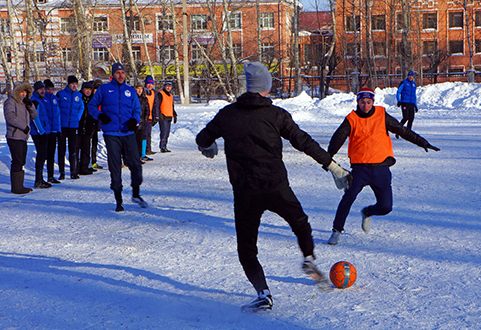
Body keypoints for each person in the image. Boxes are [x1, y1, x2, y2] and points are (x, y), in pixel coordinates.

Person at [196, 62, 351, 311]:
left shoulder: (227, 115)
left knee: (247, 249)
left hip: (245, 193)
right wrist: (333, 167)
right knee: (300, 222)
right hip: (276, 187)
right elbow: (305, 142)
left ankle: (263, 293)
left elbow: (202, 138)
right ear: (264, 88)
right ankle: (309, 259)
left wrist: (208, 147)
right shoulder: (276, 115)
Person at [326, 87, 440, 245]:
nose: (365, 105)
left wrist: (422, 142)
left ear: (373, 102)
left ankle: (367, 212)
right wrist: (328, 157)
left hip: (381, 169)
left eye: (368, 102)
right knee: (348, 198)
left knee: (386, 207)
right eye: (362, 102)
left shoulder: (381, 115)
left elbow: (402, 130)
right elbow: (338, 138)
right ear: (357, 102)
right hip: (360, 170)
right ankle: (336, 230)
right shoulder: (351, 119)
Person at [88, 63, 146, 212]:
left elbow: (136, 109)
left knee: (135, 164)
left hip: (128, 133)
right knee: (115, 166)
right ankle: (118, 199)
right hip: (112, 133)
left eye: (122, 72)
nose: (120, 75)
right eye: (117, 73)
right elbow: (92, 106)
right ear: (112, 75)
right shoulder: (104, 90)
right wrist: (100, 116)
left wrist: (135, 120)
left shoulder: (130, 91)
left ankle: (136, 192)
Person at [3, 83, 37, 194]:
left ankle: (19, 185)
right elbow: (10, 117)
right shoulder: (10, 102)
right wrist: (24, 127)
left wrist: (30, 105)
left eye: (25, 92)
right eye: (21, 92)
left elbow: (35, 115)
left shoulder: (24, 103)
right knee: (17, 160)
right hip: (14, 136)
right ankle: (16, 187)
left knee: (21, 160)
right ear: (17, 92)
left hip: (23, 136)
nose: (23, 94)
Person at [56, 75, 84, 179]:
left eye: (76, 84)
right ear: (68, 84)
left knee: (73, 149)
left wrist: (77, 118)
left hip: (73, 126)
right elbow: (57, 109)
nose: (74, 86)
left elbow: (81, 107)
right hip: (62, 126)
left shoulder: (78, 95)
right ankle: (62, 172)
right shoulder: (61, 94)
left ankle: (74, 171)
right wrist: (58, 121)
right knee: (61, 149)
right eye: (72, 84)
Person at [30, 81, 53, 188]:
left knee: (43, 155)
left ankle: (40, 179)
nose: (43, 91)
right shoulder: (35, 101)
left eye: (43, 89)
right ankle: (38, 180)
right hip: (39, 133)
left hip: (44, 131)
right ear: (36, 90)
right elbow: (35, 118)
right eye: (40, 89)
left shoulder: (42, 100)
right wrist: (42, 131)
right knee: (41, 155)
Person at [43, 79, 61, 184]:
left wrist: (58, 129)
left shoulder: (55, 99)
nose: (50, 91)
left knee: (51, 154)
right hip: (45, 131)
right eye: (48, 89)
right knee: (43, 154)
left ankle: (51, 175)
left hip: (54, 130)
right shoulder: (42, 99)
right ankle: (40, 177)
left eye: (52, 89)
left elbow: (57, 115)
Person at [77, 81, 95, 175]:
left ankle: (84, 166)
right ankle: (76, 167)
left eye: (90, 89)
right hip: (78, 125)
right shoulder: (79, 97)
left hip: (88, 126)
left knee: (86, 147)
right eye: (86, 89)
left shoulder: (92, 99)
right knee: (77, 147)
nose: (88, 91)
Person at [154, 81, 177, 153]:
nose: (168, 87)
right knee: (163, 132)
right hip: (163, 116)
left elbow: (171, 106)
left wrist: (174, 114)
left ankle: (165, 146)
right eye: (167, 86)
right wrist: (158, 115)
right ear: (164, 86)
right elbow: (157, 105)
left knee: (167, 132)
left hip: (169, 116)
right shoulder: (160, 94)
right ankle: (162, 147)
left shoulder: (170, 95)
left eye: (170, 86)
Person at [395, 70, 418, 138]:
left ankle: (408, 133)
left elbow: (414, 95)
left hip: (411, 103)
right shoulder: (404, 83)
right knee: (405, 118)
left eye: (412, 76)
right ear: (408, 76)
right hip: (405, 103)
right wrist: (399, 101)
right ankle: (398, 131)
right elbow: (398, 92)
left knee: (411, 118)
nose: (411, 77)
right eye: (410, 76)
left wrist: (415, 105)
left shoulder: (414, 84)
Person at [134, 82, 152, 162]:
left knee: (143, 138)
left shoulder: (144, 99)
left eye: (141, 89)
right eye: (138, 89)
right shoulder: (133, 98)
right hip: (134, 122)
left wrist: (145, 119)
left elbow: (147, 110)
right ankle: (135, 156)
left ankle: (142, 155)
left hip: (143, 122)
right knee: (135, 140)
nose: (139, 90)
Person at [144, 75, 158, 155]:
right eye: (148, 83)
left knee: (148, 135)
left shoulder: (154, 93)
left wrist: (156, 116)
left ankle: (148, 149)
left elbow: (156, 105)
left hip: (150, 117)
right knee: (143, 135)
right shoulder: (143, 92)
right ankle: (143, 151)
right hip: (143, 117)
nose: (150, 85)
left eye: (151, 84)